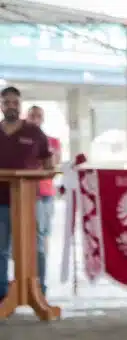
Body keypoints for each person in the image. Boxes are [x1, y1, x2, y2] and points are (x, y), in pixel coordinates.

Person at [0, 87, 54, 304]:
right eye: (6, 103)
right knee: (0, 250)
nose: (11, 106)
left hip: (29, 202)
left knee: (36, 249)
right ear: (1, 105)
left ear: (20, 105)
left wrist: (41, 174)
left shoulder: (34, 133)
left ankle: (38, 292)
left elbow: (49, 165)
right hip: (1, 202)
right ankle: (2, 296)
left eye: (15, 102)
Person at [26, 105, 60, 297]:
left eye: (39, 115)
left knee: (41, 237)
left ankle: (40, 285)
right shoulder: (22, 140)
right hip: (23, 193)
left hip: (44, 194)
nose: (35, 118)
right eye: (32, 115)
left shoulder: (52, 141)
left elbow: (52, 165)